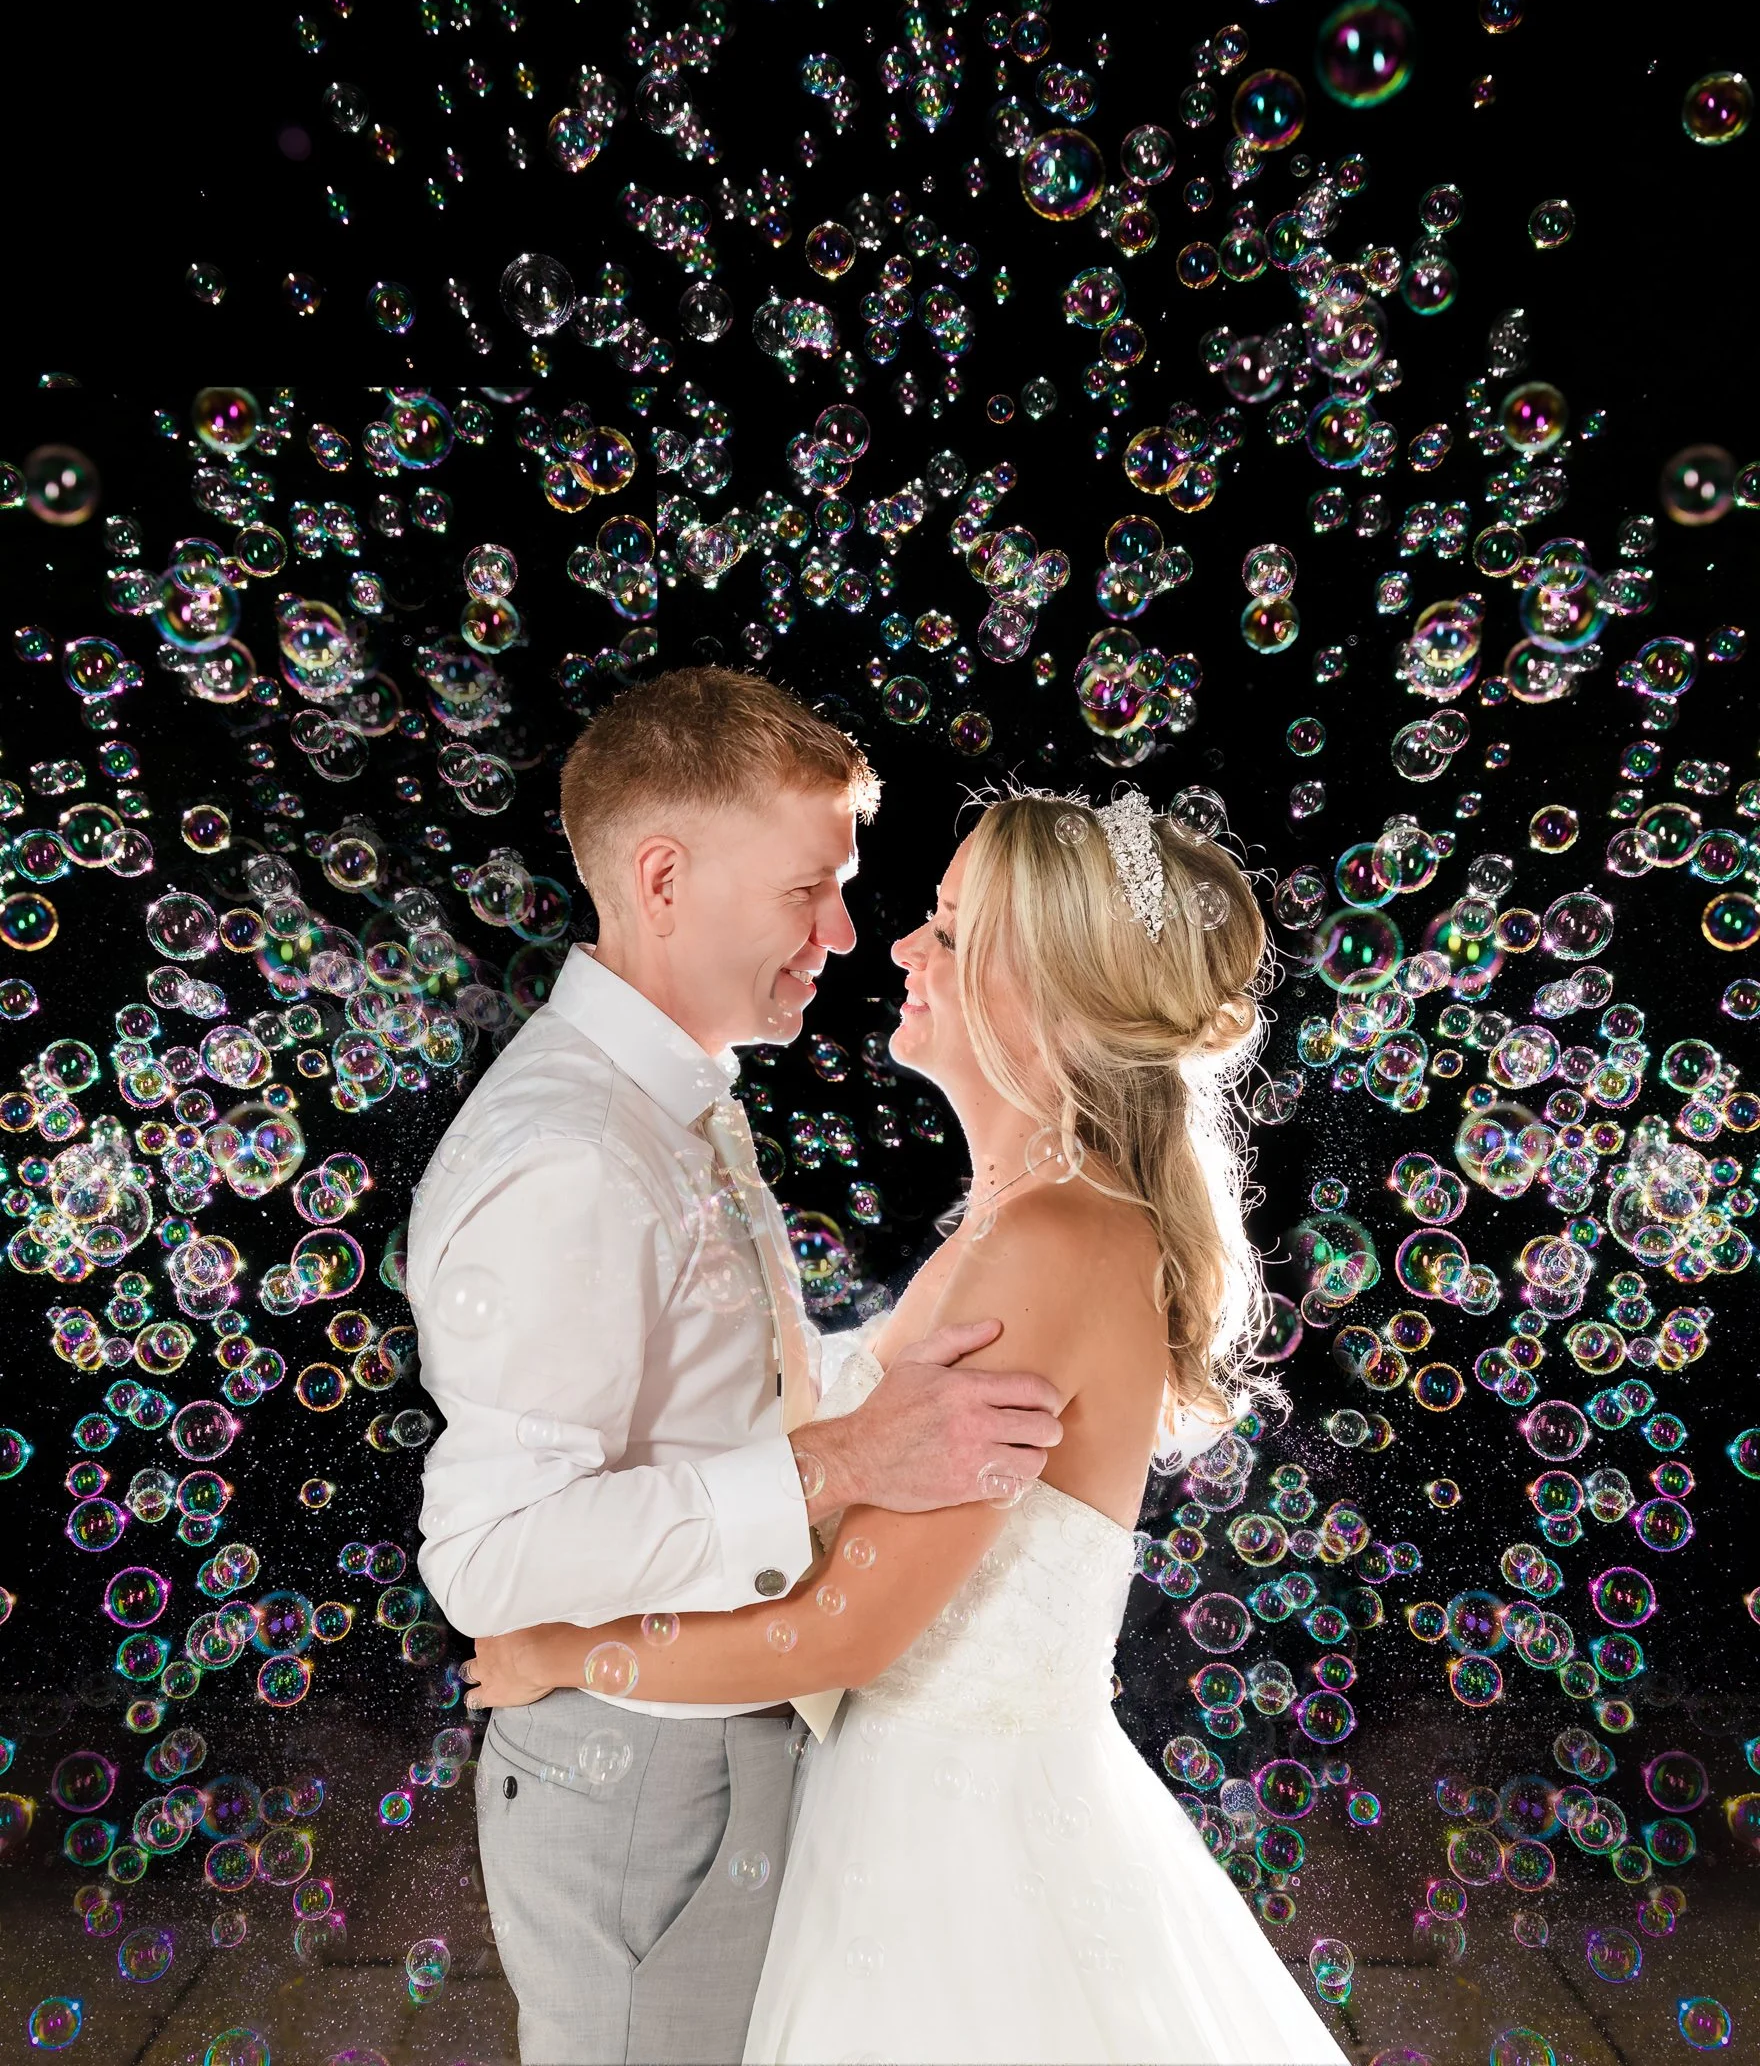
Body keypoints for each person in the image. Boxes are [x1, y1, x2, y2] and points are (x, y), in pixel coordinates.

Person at [464, 784, 1352, 2066]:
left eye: (946, 925)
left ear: (1040, 984)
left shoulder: (1048, 1244)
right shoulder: (1029, 1222)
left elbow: (844, 1624)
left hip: (956, 1856)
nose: (899, 950)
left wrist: (569, 1650)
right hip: (928, 1811)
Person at [410, 666, 1071, 2066]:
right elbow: (491, 1556)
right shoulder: (569, 1150)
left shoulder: (672, 1104)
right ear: (663, 876)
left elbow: (721, 1396)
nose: (845, 931)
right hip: (648, 1780)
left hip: (714, 1744)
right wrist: (848, 1461)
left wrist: (891, 1366)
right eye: (806, 889)